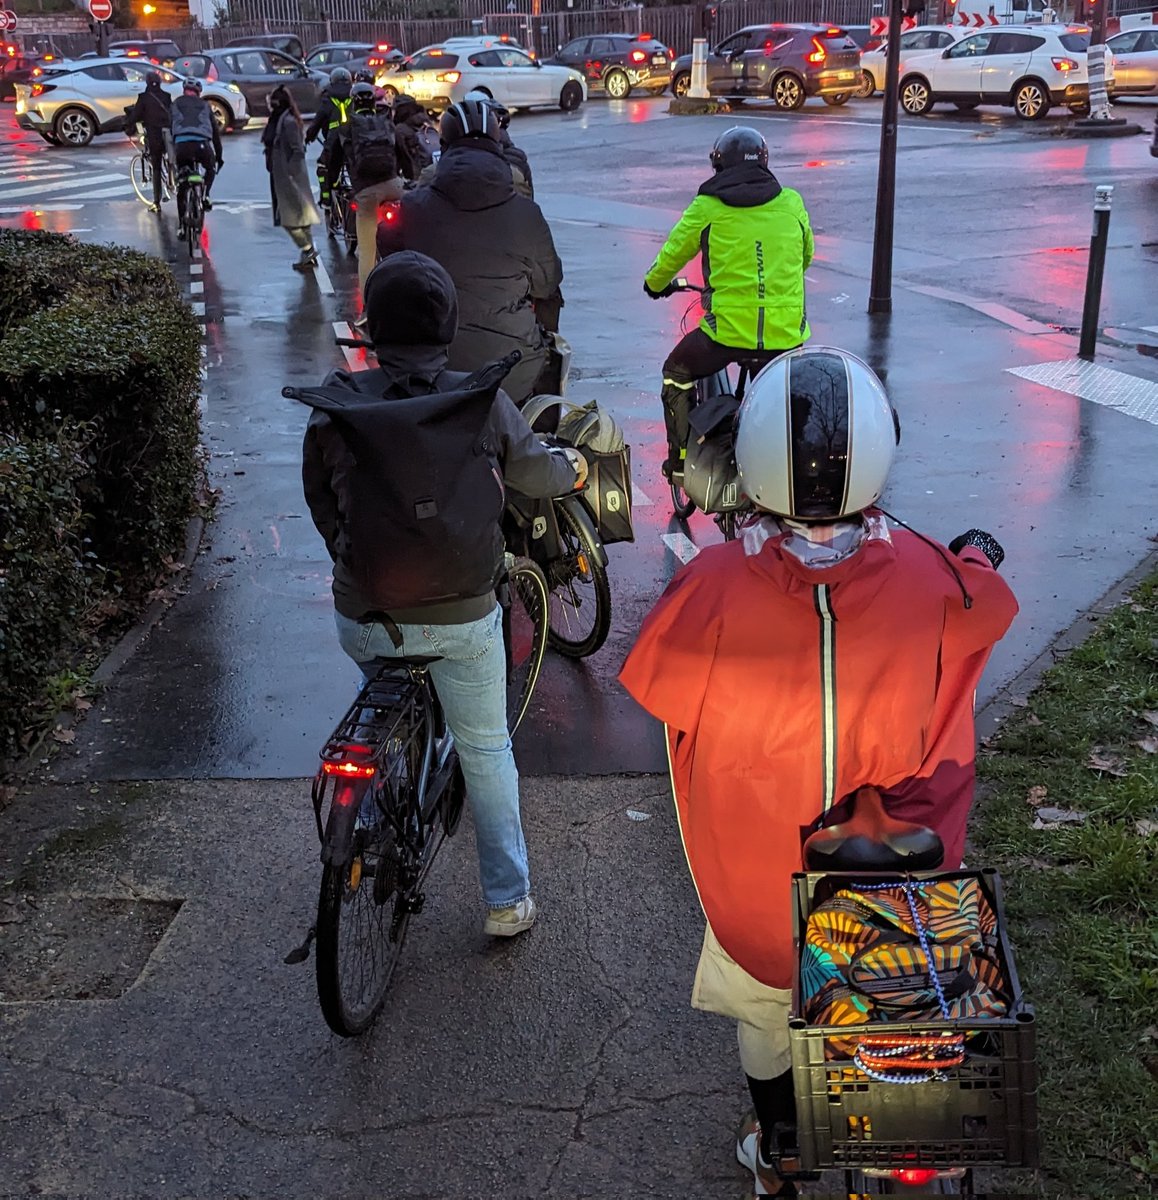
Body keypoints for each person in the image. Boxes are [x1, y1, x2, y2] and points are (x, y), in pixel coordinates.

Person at [620, 348, 1018, 1198]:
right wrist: (974, 556)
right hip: (892, 900)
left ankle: (782, 1150)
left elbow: (661, 691)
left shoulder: (713, 588)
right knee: (902, 1001)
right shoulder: (933, 581)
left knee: (765, 1005)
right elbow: (975, 596)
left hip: (764, 893)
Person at [301, 251, 588, 936]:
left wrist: (352, 566)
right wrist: (572, 468)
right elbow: (538, 476)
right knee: (485, 748)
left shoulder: (336, 407)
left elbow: (325, 508)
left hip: (364, 611)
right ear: (447, 326)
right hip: (461, 612)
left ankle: (363, 819)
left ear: (370, 327)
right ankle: (506, 901)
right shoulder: (479, 403)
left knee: (377, 706)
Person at [643, 126, 814, 481]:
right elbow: (805, 256)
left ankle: (680, 460)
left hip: (727, 335)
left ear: (718, 166)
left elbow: (674, 252)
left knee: (676, 373)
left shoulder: (708, 206)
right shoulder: (792, 202)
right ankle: (791, 460)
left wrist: (654, 283)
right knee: (787, 396)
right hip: (785, 336)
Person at [376, 98, 563, 405]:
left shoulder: (412, 209)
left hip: (431, 374)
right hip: (512, 373)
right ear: (497, 144)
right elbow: (548, 283)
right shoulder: (527, 213)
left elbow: (389, 265)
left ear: (443, 146)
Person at [339, 80, 404, 310]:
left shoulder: (347, 127)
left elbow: (336, 159)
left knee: (367, 250)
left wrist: (331, 183)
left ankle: (369, 306)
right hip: (393, 186)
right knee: (405, 239)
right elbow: (401, 152)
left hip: (366, 191)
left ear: (353, 101)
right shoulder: (386, 121)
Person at [263, 84, 322, 272]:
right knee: (298, 217)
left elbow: (297, 149)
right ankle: (307, 254)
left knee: (290, 218)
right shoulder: (280, 119)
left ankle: (307, 248)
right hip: (282, 176)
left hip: (289, 178)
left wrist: (291, 174)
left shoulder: (286, 122)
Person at [170, 77, 221, 235]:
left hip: (182, 146)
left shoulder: (175, 104)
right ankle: (206, 196)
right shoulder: (205, 106)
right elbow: (215, 134)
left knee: (182, 187)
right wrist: (219, 156)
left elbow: (168, 126)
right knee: (210, 169)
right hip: (202, 146)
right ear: (199, 93)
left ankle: (181, 228)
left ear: (184, 90)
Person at [305, 65, 353, 210]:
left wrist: (309, 137)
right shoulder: (355, 95)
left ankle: (326, 199)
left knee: (323, 166)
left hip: (335, 143)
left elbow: (318, 121)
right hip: (356, 140)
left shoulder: (328, 99)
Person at [124, 69, 172, 212]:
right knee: (171, 159)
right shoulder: (167, 96)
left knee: (156, 166)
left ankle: (156, 202)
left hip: (155, 136)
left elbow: (136, 116)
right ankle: (173, 180)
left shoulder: (144, 98)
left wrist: (127, 125)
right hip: (169, 134)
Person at [392, 94, 438, 181]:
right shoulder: (426, 122)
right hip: (436, 176)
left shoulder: (401, 130)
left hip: (418, 181)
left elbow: (406, 162)